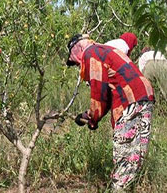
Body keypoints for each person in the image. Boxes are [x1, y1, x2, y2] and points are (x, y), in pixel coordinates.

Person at [66, 34, 155, 191]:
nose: (77, 66)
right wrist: (88, 116)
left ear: (78, 48)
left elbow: (99, 93)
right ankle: (128, 187)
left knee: (125, 155)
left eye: (74, 61)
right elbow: (106, 96)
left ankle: (118, 189)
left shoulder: (90, 53)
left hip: (129, 98)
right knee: (135, 154)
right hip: (143, 95)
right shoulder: (103, 49)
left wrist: (93, 119)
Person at [138, 47, 167, 119]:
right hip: (165, 65)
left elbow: (142, 73)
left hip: (150, 65)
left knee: (150, 91)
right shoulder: (159, 54)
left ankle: (157, 112)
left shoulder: (143, 58)